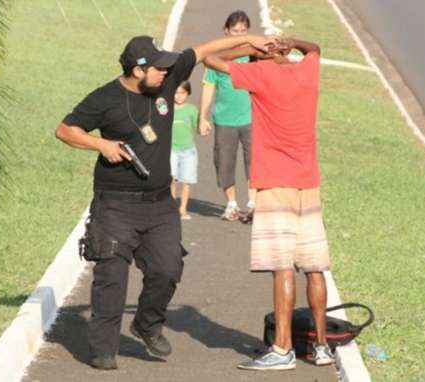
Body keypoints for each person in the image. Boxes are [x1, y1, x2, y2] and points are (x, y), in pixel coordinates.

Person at [55, 33, 277, 370]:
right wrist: (102, 146)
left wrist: (251, 43)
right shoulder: (104, 99)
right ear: (137, 70)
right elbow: (66, 130)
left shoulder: (167, 78)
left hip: (160, 204)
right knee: (111, 274)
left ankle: (146, 324)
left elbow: (204, 51)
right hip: (115, 204)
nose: (166, 74)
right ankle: (103, 346)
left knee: (168, 268)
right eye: (157, 69)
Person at [203, 38, 334, 371]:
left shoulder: (260, 74)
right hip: (308, 180)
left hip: (276, 181)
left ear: (266, 55)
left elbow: (209, 58)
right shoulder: (307, 71)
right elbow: (315, 49)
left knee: (282, 266)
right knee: (314, 267)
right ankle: (321, 347)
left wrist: (250, 46)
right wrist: (293, 43)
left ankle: (282, 348)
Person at [200, 11, 257, 223]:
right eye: (235, 31)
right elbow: (208, 86)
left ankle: (253, 205)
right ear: (226, 31)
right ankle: (231, 205)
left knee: (255, 163)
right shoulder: (217, 57)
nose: (239, 35)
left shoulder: (254, 56)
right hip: (224, 120)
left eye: (243, 31)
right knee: (224, 163)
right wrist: (202, 117)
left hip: (251, 118)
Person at [170, 80, 199, 220]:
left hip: (188, 150)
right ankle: (171, 207)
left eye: (182, 93)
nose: (179, 96)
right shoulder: (167, 109)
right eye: (176, 93)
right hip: (171, 149)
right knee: (171, 178)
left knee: (186, 180)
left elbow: (197, 127)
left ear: (187, 94)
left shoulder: (192, 110)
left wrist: (204, 126)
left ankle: (183, 208)